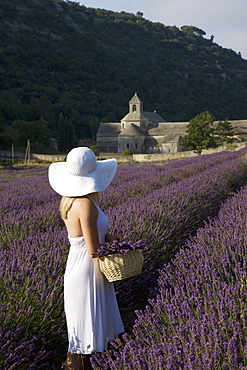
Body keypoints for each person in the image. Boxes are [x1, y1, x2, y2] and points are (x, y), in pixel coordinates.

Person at [48, 147, 124, 370]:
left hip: (78, 266)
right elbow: (93, 249)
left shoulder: (71, 202)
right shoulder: (87, 204)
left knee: (81, 329)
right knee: (89, 325)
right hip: (89, 269)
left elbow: (82, 237)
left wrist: (110, 237)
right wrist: (121, 252)